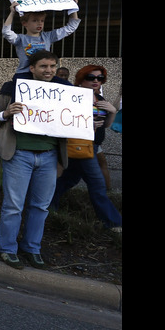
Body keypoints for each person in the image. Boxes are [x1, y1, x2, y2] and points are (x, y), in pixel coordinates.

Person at [0, 50, 72, 270]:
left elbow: (72, 121)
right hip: (19, 155)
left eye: (53, 66)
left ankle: (31, 248)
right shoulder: (12, 88)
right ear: (32, 68)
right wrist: (5, 114)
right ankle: (8, 248)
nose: (49, 70)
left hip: (49, 156)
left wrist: (86, 123)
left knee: (41, 207)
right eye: (44, 66)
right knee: (13, 206)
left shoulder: (65, 90)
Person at [50, 65, 122, 232]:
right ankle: (114, 223)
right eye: (91, 77)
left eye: (100, 78)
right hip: (79, 144)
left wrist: (111, 111)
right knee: (97, 184)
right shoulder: (73, 96)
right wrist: (86, 123)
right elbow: (63, 118)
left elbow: (106, 125)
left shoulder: (98, 97)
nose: (96, 81)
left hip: (92, 146)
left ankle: (47, 206)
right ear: (81, 79)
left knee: (69, 179)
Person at [2, 0, 80, 75]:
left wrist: (73, 8)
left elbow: (70, 27)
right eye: (35, 20)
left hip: (44, 75)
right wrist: (12, 12)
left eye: (42, 20)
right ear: (24, 23)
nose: (39, 23)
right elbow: (6, 32)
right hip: (24, 75)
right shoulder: (20, 39)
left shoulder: (48, 36)